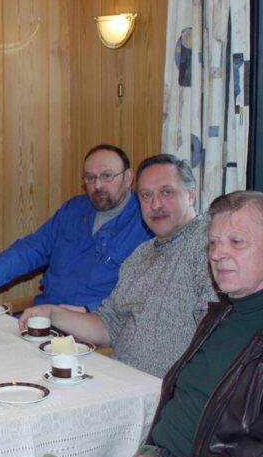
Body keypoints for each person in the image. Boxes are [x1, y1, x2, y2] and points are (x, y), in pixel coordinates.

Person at [14, 190, 263, 457]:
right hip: (158, 455)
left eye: (236, 242)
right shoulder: (221, 315)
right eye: (213, 242)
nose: (217, 254)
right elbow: (109, 324)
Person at [19, 154, 217, 377]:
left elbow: (215, 338)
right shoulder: (140, 255)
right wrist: (52, 313)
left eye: (166, 192)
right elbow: (107, 326)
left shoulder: (211, 248)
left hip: (166, 387)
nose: (155, 205)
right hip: (117, 376)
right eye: (146, 195)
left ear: (191, 195)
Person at [0, 145, 152, 311]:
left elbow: (143, 292)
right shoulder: (74, 209)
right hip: (44, 319)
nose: (98, 185)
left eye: (107, 176)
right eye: (90, 178)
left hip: (93, 328)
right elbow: (33, 248)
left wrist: (89, 310)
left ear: (128, 178)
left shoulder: (146, 223)